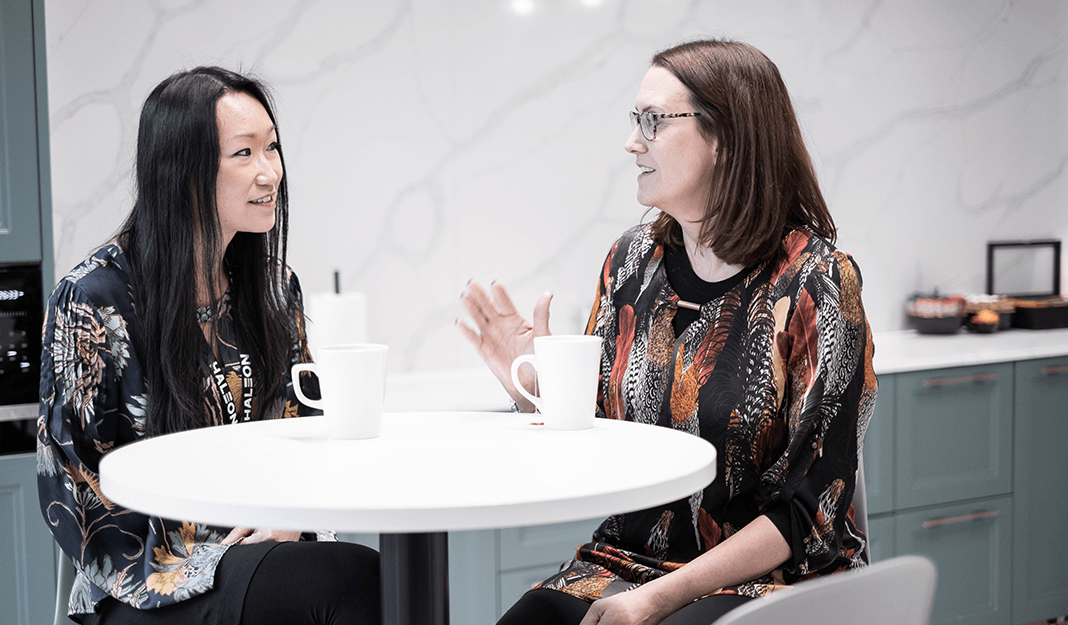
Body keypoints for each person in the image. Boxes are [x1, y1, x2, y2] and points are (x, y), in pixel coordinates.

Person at [458, 39, 877, 625]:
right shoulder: (633, 262)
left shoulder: (817, 283)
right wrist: (535, 387)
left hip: (776, 582)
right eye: (636, 121)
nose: (633, 142)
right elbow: (608, 442)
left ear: (725, 140)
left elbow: (806, 512)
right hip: (629, 563)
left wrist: (659, 599)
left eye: (653, 122)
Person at [37, 67, 380, 625]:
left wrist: (283, 525)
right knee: (352, 581)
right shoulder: (94, 301)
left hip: (268, 548)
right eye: (243, 154)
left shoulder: (270, 289)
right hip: (147, 586)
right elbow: (76, 490)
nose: (270, 172)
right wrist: (208, 561)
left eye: (272, 148)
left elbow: (303, 428)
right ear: (182, 171)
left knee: (369, 580)